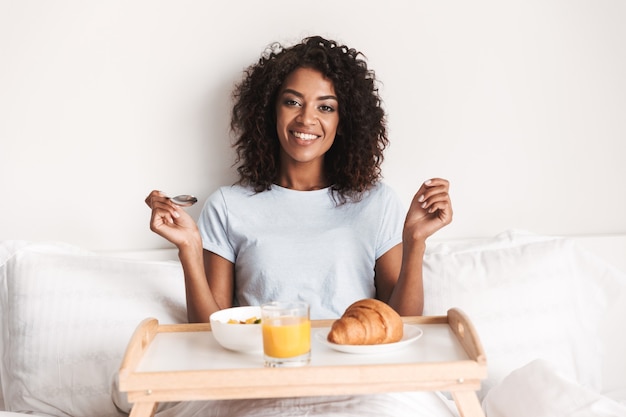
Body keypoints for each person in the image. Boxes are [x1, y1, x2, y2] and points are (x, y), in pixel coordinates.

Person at [143, 35, 454, 417]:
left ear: (343, 122)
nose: (307, 119)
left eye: (326, 107)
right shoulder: (229, 205)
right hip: (261, 383)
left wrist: (415, 242)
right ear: (269, 110)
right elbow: (214, 332)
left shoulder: (377, 202)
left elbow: (399, 324)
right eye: (292, 102)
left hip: (360, 384)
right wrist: (189, 250)